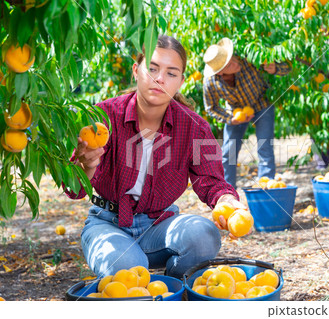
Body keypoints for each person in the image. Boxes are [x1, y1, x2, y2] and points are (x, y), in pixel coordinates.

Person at [64, 35, 246, 279]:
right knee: (127, 269)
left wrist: (225, 200)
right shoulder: (104, 118)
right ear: (136, 70)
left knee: (204, 235)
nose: (160, 79)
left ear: (181, 81)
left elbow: (210, 180)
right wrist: (86, 166)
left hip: (160, 225)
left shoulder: (194, 126)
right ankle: (138, 277)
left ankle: (173, 287)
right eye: (152, 69)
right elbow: (73, 190)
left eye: (171, 73)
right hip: (108, 223)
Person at [202, 38, 292, 188]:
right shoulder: (211, 82)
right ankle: (227, 190)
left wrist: (275, 68)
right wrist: (230, 119)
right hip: (236, 112)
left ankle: (267, 186)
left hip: (261, 104)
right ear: (221, 72)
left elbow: (287, 67)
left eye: (233, 58)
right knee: (228, 152)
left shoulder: (249, 60)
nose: (236, 63)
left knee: (265, 146)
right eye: (230, 65)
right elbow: (211, 108)